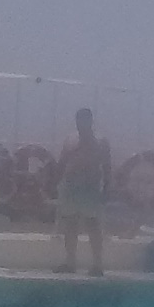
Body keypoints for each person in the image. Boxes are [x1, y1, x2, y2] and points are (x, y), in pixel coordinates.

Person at [54, 106, 115, 276]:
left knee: (93, 225)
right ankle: (70, 263)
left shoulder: (101, 142)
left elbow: (107, 166)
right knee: (70, 224)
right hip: (71, 187)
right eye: (79, 120)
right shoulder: (70, 139)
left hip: (90, 188)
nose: (81, 123)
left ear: (91, 121)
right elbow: (62, 162)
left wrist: (107, 187)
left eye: (85, 120)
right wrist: (55, 183)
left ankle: (97, 265)